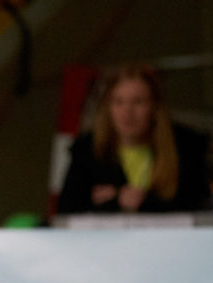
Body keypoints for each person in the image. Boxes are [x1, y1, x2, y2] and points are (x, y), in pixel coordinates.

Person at [57, 63, 211, 215]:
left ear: (154, 106)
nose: (127, 112)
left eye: (138, 102)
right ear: (108, 107)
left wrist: (143, 203)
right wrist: (116, 201)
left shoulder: (186, 146)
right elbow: (66, 211)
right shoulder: (86, 150)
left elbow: (199, 207)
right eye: (119, 102)